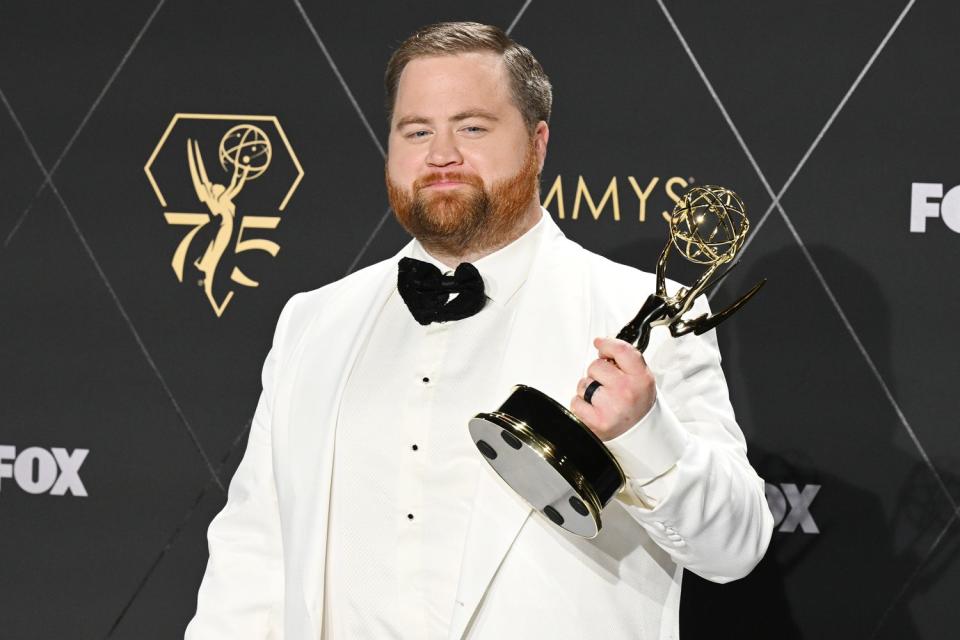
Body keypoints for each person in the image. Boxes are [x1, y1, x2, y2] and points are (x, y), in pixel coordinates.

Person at [185, 21, 773, 640]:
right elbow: (254, 549)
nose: (441, 154)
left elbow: (735, 548)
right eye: (417, 131)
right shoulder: (315, 320)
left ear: (538, 144)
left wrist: (647, 434)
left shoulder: (642, 313)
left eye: (471, 127)